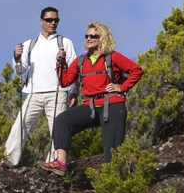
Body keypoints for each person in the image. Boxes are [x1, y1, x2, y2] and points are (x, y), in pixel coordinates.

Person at [47, 22, 142, 170]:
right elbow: (65, 82)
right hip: (89, 106)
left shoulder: (113, 57)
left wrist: (121, 87)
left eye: (93, 36)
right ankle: (61, 163)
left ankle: (119, 181)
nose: (88, 39)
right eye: (87, 36)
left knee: (112, 153)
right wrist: (61, 63)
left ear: (103, 38)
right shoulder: (80, 61)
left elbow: (137, 70)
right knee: (62, 121)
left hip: (113, 105)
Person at [4, 5, 75, 168]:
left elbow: (73, 69)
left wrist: (73, 92)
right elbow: (20, 70)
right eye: (49, 20)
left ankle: (54, 163)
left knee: (57, 130)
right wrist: (16, 56)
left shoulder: (64, 42)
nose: (53, 23)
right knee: (20, 125)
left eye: (56, 20)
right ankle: (8, 161)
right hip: (34, 93)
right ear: (41, 21)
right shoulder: (30, 44)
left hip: (58, 92)